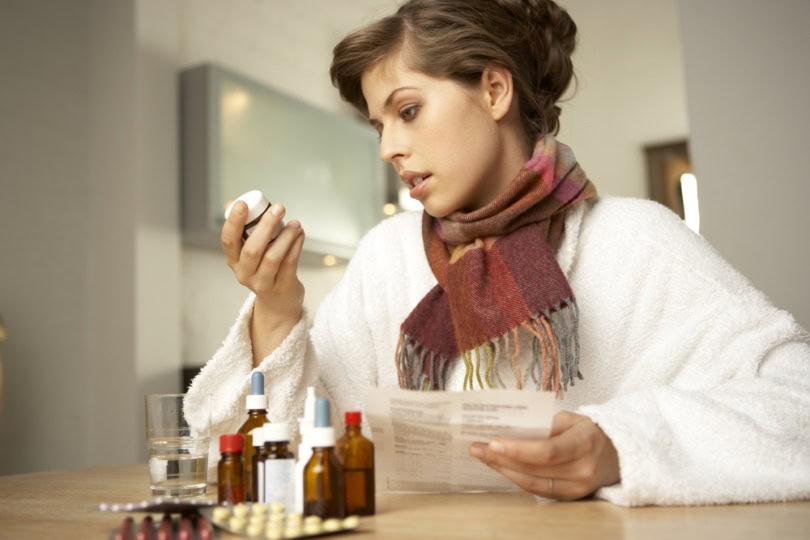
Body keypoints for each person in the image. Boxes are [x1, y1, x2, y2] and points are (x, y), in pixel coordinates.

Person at [185, 0, 810, 505]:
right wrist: (275, 306)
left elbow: (796, 403)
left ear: (493, 90)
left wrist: (620, 444)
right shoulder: (385, 256)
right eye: (379, 127)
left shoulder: (636, 239)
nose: (388, 150)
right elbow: (286, 451)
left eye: (408, 110)